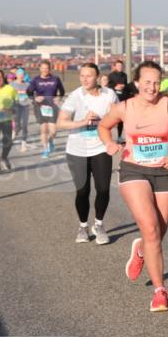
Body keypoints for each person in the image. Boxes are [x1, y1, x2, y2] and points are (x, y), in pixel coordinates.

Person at [98, 61, 168, 312]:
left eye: (156, 82)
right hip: (134, 169)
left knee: (159, 231)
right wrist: (109, 143)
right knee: (151, 229)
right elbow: (103, 126)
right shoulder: (124, 107)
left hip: (164, 172)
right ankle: (160, 291)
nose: (152, 87)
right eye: (147, 82)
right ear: (137, 83)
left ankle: (140, 248)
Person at [58, 63, 119, 244]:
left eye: (89, 76)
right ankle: (83, 226)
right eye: (82, 75)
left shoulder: (110, 95)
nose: (85, 79)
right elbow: (61, 122)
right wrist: (83, 122)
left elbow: (120, 116)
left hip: (101, 147)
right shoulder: (75, 96)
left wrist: (110, 115)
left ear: (98, 77)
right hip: (77, 150)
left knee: (103, 189)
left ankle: (99, 224)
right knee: (82, 191)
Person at [29, 60, 66, 157]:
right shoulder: (36, 80)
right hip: (40, 107)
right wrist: (35, 98)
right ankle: (45, 150)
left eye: (47, 68)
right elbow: (28, 92)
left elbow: (62, 91)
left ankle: (51, 141)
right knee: (43, 129)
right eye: (43, 68)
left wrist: (59, 97)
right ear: (40, 69)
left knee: (53, 131)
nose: (45, 70)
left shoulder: (55, 79)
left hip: (52, 106)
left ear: (50, 69)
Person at [10, 69, 32, 152]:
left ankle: (23, 144)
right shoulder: (11, 85)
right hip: (15, 106)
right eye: (19, 74)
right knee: (17, 124)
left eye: (22, 74)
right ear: (16, 75)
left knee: (25, 125)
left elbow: (31, 95)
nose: (21, 76)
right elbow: (8, 95)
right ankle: (14, 131)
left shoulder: (27, 85)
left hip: (25, 106)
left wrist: (31, 100)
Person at [107, 60, 130, 141]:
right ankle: (108, 136)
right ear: (115, 66)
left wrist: (124, 86)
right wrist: (115, 87)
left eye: (121, 65)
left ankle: (119, 137)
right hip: (114, 98)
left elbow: (126, 86)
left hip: (122, 98)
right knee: (111, 119)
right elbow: (108, 86)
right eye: (118, 65)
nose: (120, 67)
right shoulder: (111, 75)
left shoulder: (125, 75)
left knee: (121, 119)